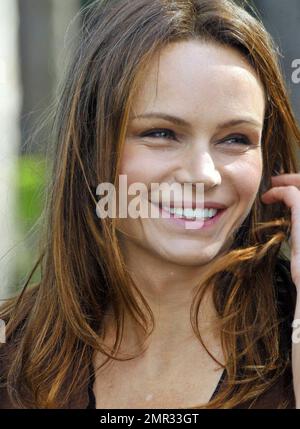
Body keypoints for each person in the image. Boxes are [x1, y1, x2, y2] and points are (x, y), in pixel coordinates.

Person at [1, 0, 300, 409]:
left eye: (236, 139)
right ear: (91, 148)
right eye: (161, 133)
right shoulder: (11, 352)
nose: (204, 174)